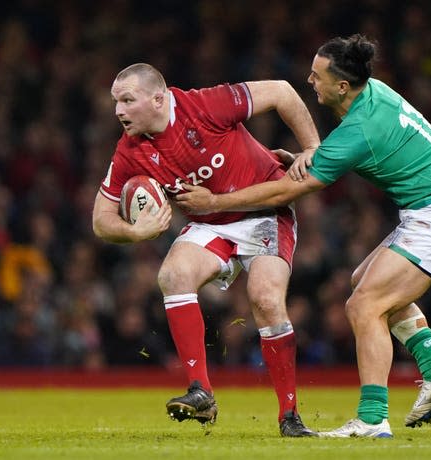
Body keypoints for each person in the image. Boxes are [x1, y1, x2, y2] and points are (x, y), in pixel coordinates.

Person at [176, 35, 431, 438]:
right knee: (364, 283)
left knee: (365, 305)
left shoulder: (360, 128)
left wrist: (212, 201)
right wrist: (308, 159)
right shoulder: (372, 94)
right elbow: (335, 157)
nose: (309, 81)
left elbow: (288, 191)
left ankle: (373, 419)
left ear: (342, 86)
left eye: (317, 75)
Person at [91, 63, 320, 437]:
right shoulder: (129, 150)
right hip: (212, 223)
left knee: (265, 299)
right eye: (116, 101)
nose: (118, 111)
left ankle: (290, 416)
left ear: (157, 98)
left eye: (127, 100)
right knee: (172, 274)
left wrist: (312, 147)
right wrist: (135, 232)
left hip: (264, 209)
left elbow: (281, 90)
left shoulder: (205, 106)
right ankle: (202, 391)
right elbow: (101, 219)